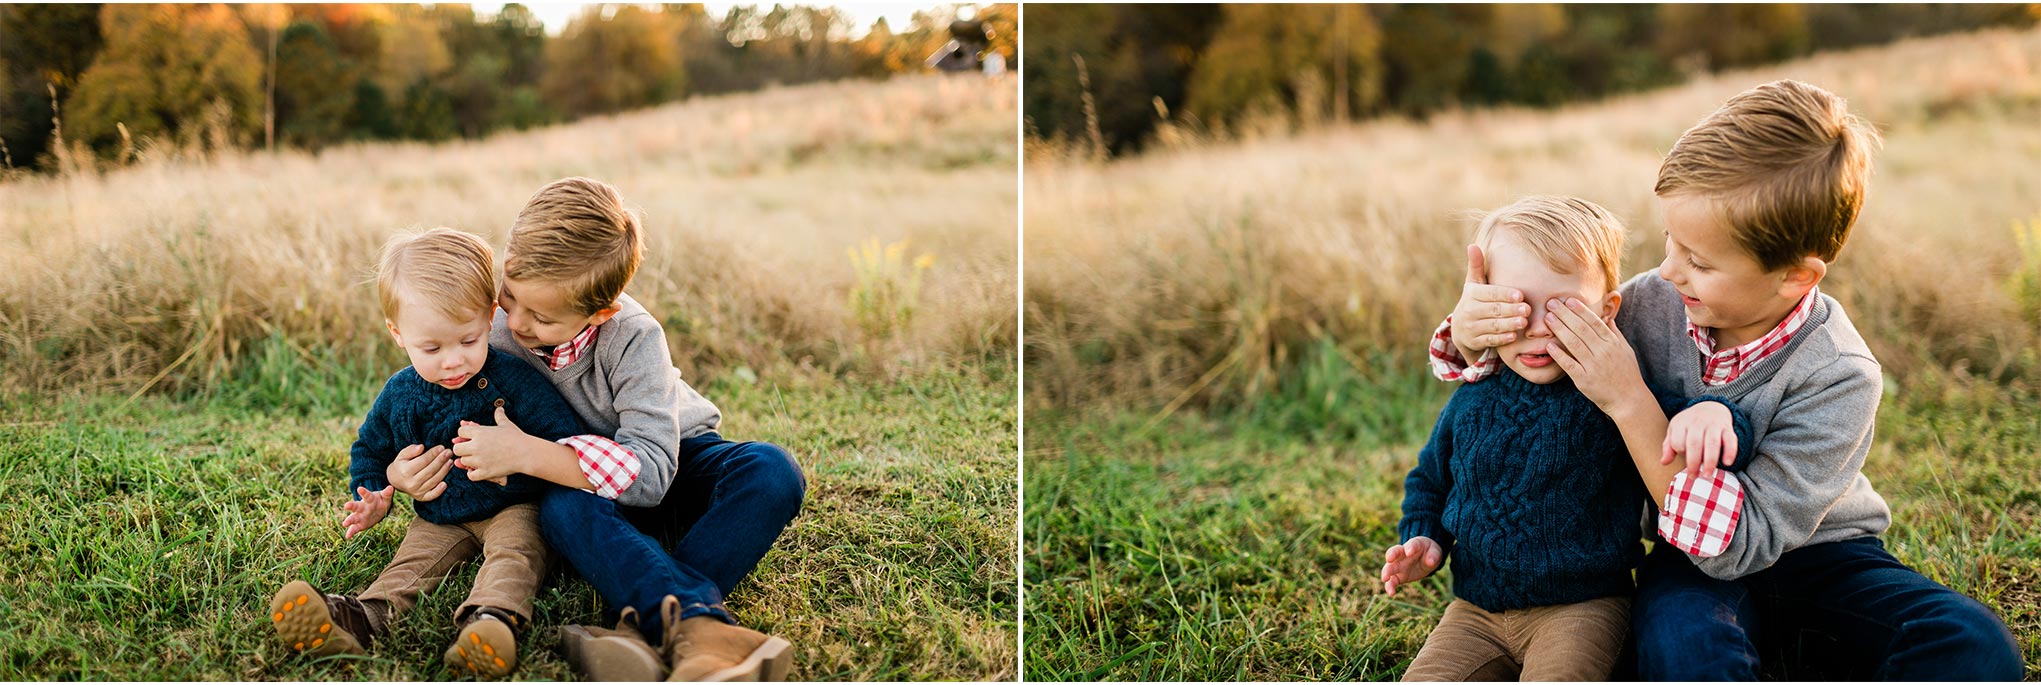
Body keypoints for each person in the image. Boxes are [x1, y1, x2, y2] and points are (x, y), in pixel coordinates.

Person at [1427, 79, 2022, 680]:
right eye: (1670, 241)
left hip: (1825, 558)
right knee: (1686, 648)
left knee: (1974, 645)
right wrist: (1475, 331)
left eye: (1700, 261)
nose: (1666, 269)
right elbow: (1536, 363)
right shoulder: (1648, 305)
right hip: (1686, 567)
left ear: (1794, 276)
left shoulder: (1841, 375)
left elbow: (1735, 546)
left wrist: (1631, 401)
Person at [421, 177, 805, 681]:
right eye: (509, 295)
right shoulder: (491, 330)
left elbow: (650, 477)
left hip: (672, 464)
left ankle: (651, 624)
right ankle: (698, 630)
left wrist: (526, 454)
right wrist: (406, 469)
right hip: (588, 501)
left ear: (601, 313)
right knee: (562, 507)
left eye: (543, 317)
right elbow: (434, 408)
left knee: (771, 470)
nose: (514, 323)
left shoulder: (634, 338)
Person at [1385, 196, 1750, 681]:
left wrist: (1713, 414)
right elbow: (1430, 479)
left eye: (1561, 309)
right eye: (1515, 306)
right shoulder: (1472, 398)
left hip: (1585, 607)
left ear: (1606, 310)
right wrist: (1423, 538)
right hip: (1475, 613)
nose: (1536, 328)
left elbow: (1689, 426)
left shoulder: (1613, 389)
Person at [268, 227, 585, 678]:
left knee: (517, 554)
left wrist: (520, 463)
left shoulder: (514, 379)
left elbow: (562, 438)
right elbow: (370, 447)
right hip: (440, 513)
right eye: (432, 348)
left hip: (515, 505)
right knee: (411, 564)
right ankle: (362, 618)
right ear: (398, 334)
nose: (453, 361)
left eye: (469, 341)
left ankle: (491, 622)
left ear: (489, 318)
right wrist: (376, 491)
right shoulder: (400, 393)